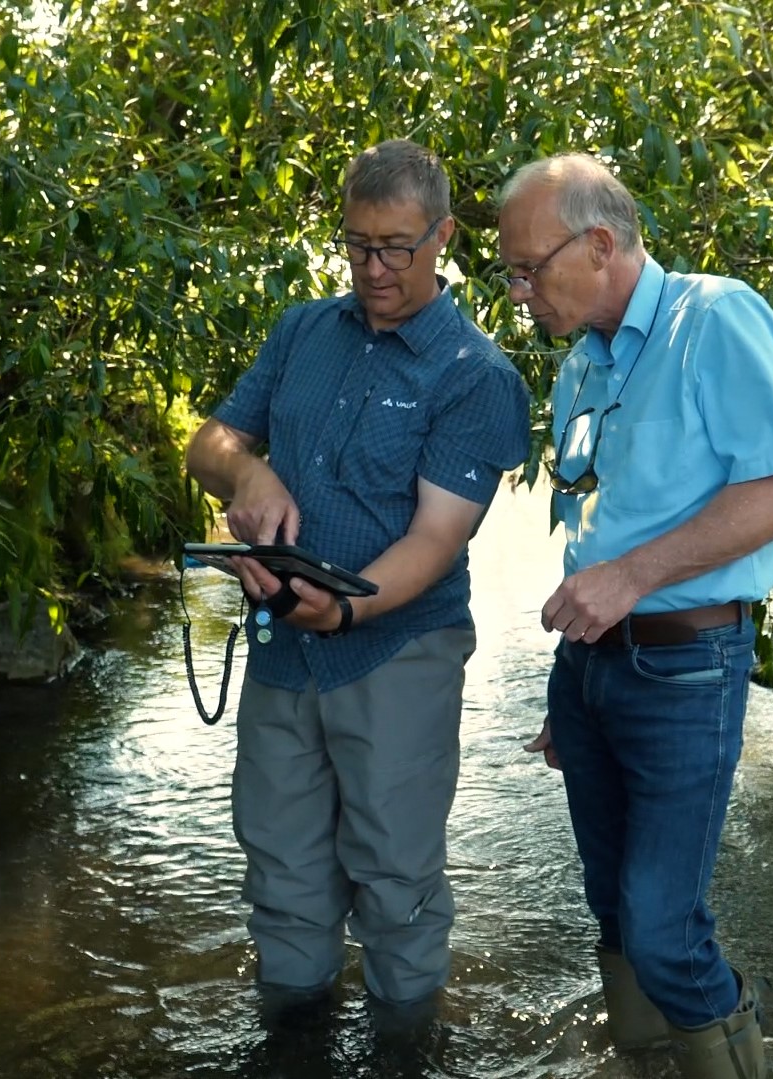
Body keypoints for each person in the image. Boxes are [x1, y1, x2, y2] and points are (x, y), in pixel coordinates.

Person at [186, 139, 531, 1024]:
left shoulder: (477, 376)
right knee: (282, 863)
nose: (373, 268)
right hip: (282, 649)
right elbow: (210, 443)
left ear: (444, 236)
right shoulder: (304, 329)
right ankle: (292, 1037)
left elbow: (435, 537)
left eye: (396, 248)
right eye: (357, 245)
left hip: (398, 652)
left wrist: (343, 605)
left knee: (394, 873)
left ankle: (404, 1043)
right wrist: (249, 478)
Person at [496, 154, 773, 1079]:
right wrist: (577, 685)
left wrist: (629, 580)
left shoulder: (714, 318)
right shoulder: (579, 370)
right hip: (592, 666)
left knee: (662, 926)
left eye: (529, 268)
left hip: (688, 664)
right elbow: (598, 530)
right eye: (510, 273)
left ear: (599, 244)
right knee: (612, 907)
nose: (519, 292)